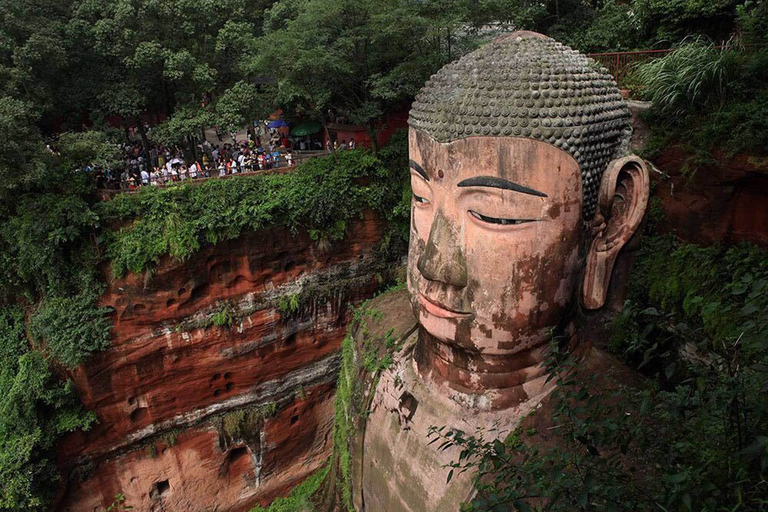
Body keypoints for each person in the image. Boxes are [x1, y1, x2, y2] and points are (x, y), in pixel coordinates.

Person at [343, 31, 648, 512]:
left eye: (495, 216)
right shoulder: (372, 339)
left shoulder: (607, 467)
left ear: (610, 222)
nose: (433, 263)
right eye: (421, 197)